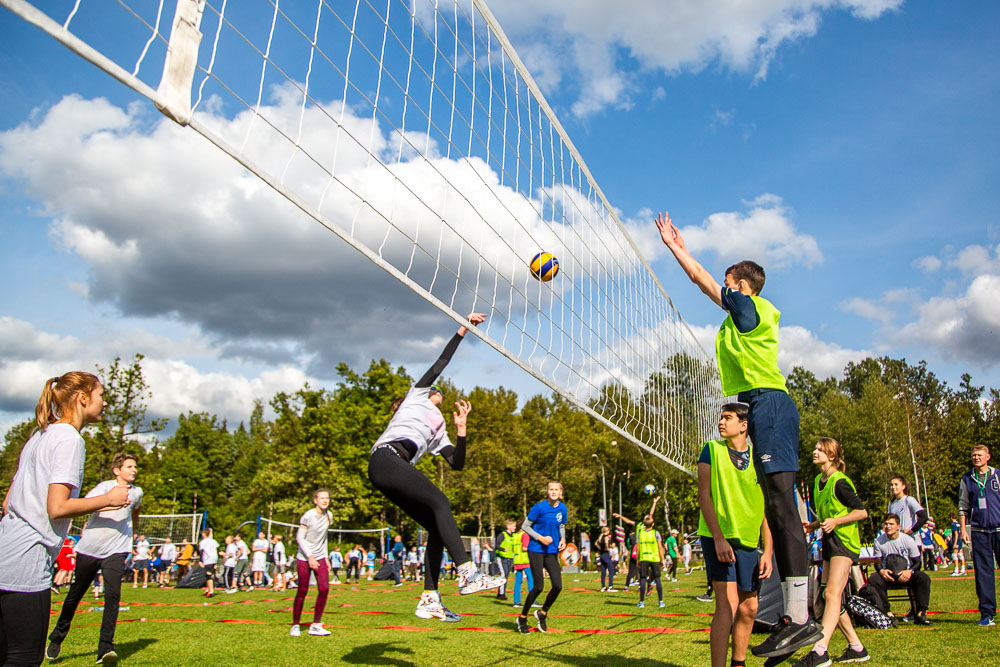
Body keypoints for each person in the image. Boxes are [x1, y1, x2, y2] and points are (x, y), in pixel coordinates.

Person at [656, 214, 820, 658]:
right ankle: (800, 624)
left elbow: (702, 281)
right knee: (776, 501)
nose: (723, 289)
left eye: (729, 282)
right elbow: (708, 287)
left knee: (783, 503)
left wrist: (678, 251)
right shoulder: (737, 320)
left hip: (769, 403)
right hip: (758, 405)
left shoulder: (749, 308)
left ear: (740, 285)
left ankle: (801, 618)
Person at [367, 313, 504, 623]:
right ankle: (468, 573)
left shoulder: (438, 427)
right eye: (435, 389)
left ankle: (430, 598)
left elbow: (456, 463)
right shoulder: (415, 397)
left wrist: (462, 429)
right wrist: (463, 328)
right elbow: (442, 362)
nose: (438, 389)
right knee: (441, 502)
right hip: (386, 458)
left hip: (390, 469)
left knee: (437, 525)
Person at [0, 373, 131, 667]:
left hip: (4, 549)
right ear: (83, 398)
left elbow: (8, 502)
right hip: (26, 561)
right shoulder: (70, 440)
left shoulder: (39, 436)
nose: (104, 402)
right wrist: (108, 499)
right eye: (100, 395)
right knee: (24, 658)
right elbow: (57, 507)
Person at [46, 452, 145, 664]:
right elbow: (86, 504)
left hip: (117, 548)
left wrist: (133, 531)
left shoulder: (137, 492)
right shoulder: (104, 487)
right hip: (90, 548)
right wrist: (111, 502)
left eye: (135, 466)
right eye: (129, 466)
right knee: (75, 594)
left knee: (113, 595)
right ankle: (57, 636)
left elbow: (136, 510)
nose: (134, 470)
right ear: (117, 470)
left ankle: (105, 649)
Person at [697, 403, 773, 667]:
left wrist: (769, 551)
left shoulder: (759, 459)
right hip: (718, 536)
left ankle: (738, 663)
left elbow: (763, 508)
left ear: (743, 425)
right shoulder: (712, 450)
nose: (721, 422)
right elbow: (703, 496)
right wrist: (718, 538)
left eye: (727, 417)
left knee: (749, 607)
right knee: (727, 605)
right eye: (721, 417)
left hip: (749, 540)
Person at [792, 438, 869, 667]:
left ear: (832, 456)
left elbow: (861, 512)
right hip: (829, 541)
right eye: (815, 448)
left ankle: (821, 650)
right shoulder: (818, 480)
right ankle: (857, 647)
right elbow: (827, 515)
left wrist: (836, 521)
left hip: (844, 543)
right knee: (829, 596)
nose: (814, 452)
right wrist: (814, 526)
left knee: (832, 595)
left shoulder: (840, 482)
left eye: (820, 450)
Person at [858, 514, 932, 625]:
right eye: (886, 524)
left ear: (898, 526)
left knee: (923, 577)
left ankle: (921, 613)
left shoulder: (908, 540)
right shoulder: (879, 541)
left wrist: (909, 571)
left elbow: (918, 562)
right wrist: (882, 571)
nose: (888, 526)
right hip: (888, 575)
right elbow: (877, 563)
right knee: (874, 579)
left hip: (906, 574)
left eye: (891, 524)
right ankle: (887, 612)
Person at [516, 481, 567, 634]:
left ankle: (542, 613)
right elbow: (525, 526)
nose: (553, 492)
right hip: (536, 549)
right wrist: (540, 538)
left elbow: (562, 525)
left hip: (551, 551)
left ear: (560, 493)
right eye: (551, 489)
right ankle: (522, 617)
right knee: (538, 586)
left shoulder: (562, 508)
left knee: (558, 586)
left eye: (556, 490)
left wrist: (563, 539)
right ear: (547, 492)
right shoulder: (539, 508)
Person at [958, 444, 1000, 627]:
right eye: (974, 455)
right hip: (979, 531)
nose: (976, 458)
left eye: (979, 455)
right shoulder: (967, 478)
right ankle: (987, 614)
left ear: (988, 457)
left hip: (999, 529)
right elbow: (963, 505)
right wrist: (962, 529)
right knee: (983, 575)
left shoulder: (997, 475)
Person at [290, 489, 333, 638]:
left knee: (324, 588)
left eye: (327, 498)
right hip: (304, 556)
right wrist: (310, 557)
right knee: (302, 590)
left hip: (320, 556)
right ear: (315, 500)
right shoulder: (308, 516)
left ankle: (316, 625)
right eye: (322, 498)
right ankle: (295, 624)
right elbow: (299, 538)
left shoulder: (329, 516)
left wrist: (325, 557)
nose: (325, 500)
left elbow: (324, 537)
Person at [495, 519, 518, 600]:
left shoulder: (513, 536)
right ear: (508, 526)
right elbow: (496, 545)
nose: (515, 527)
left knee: (506, 576)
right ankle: (501, 594)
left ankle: (501, 593)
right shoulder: (503, 535)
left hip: (509, 558)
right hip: (502, 558)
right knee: (503, 576)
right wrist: (503, 549)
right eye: (513, 526)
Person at [511, 525, 533, 607]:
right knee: (531, 579)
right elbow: (524, 548)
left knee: (518, 581)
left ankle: (516, 602)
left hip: (517, 561)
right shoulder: (525, 534)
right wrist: (532, 549)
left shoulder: (516, 535)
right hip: (525, 560)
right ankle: (532, 600)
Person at [198, 528, 220, 598]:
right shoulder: (213, 541)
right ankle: (207, 589)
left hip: (208, 559)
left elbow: (201, 551)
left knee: (209, 575)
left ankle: (211, 591)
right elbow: (218, 549)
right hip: (214, 558)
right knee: (208, 574)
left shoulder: (203, 542)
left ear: (204, 534)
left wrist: (201, 561)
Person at [595, 525, 617, 592]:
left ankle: (603, 586)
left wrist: (600, 549)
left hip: (601, 555)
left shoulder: (600, 537)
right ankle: (610, 586)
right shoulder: (606, 537)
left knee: (603, 571)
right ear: (606, 531)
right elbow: (606, 543)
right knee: (611, 570)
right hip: (606, 554)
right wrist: (607, 549)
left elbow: (596, 543)